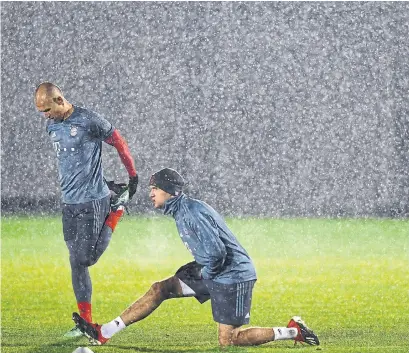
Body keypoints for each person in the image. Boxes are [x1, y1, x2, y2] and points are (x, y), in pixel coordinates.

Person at [73, 168, 320, 347]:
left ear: (169, 191)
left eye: (155, 188)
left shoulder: (190, 212)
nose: (151, 194)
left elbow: (217, 253)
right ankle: (104, 332)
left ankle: (293, 331)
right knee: (160, 289)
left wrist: (208, 278)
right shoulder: (184, 208)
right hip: (214, 269)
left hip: (232, 276)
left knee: (230, 341)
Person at [34, 82, 139, 338]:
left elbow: (119, 142)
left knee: (86, 259)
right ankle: (85, 323)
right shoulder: (52, 126)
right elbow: (76, 164)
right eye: (41, 112)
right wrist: (106, 181)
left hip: (93, 201)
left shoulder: (89, 120)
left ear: (59, 100)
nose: (45, 116)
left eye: (47, 109)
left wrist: (132, 176)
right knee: (76, 262)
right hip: (68, 203)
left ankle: (117, 209)